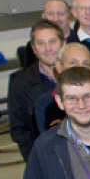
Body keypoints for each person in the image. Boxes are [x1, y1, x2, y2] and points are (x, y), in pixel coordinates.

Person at [9, 20, 63, 160]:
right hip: (45, 156)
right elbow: (19, 129)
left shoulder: (79, 74)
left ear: (63, 43)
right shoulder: (20, 82)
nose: (48, 48)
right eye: (41, 43)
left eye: (52, 41)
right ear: (33, 48)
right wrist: (35, 161)